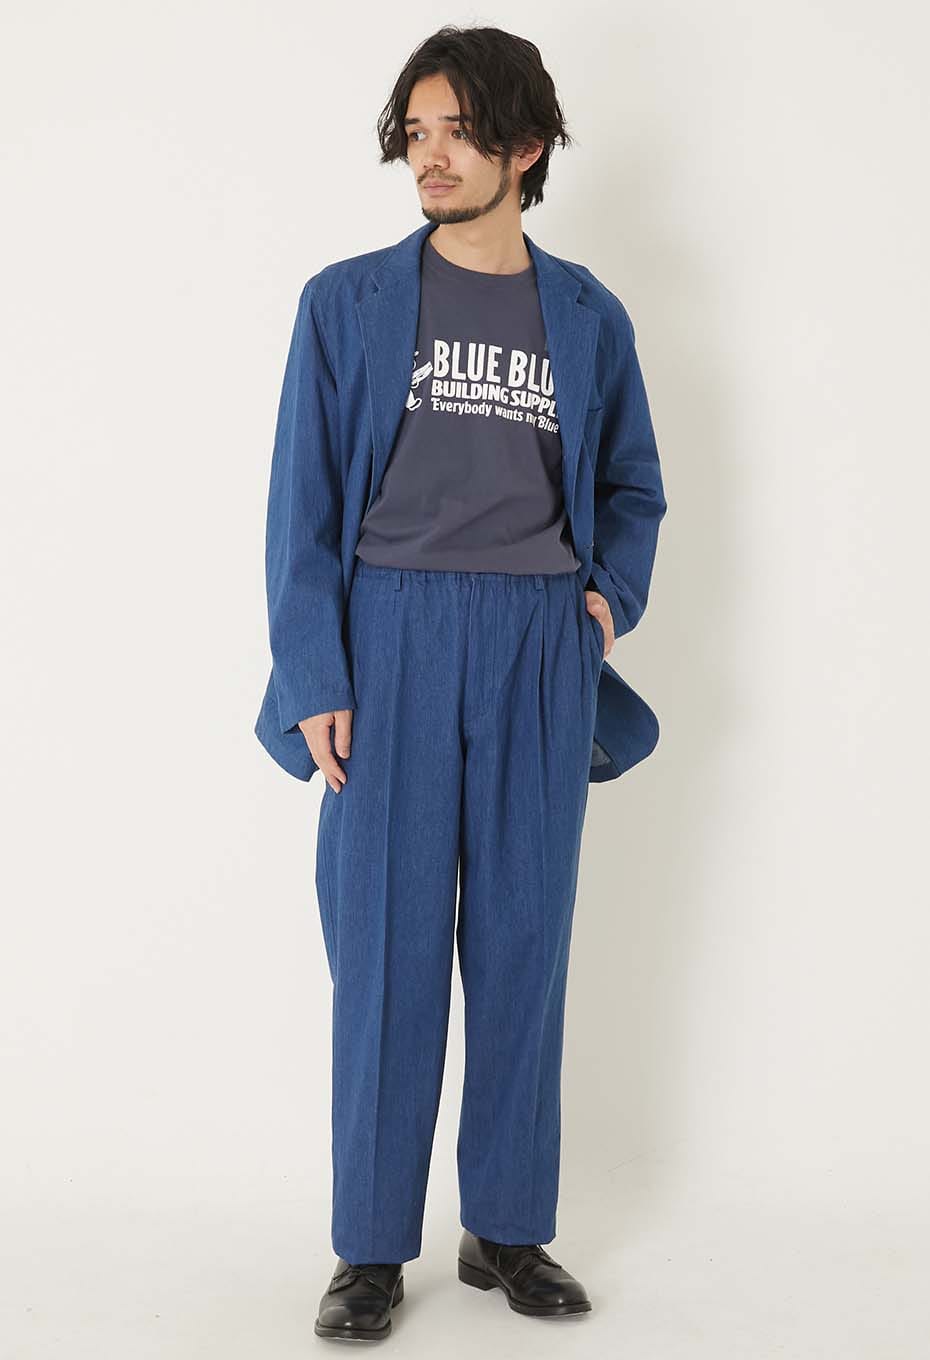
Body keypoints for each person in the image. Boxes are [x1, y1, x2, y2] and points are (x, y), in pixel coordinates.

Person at [254, 24, 667, 1343]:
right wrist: (316, 670)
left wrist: (606, 601)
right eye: (415, 132)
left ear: (524, 147)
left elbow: (633, 485)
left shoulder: (589, 315)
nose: (429, 157)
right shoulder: (346, 304)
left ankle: (506, 1228)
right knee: (384, 953)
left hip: (540, 645)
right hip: (390, 641)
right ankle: (371, 1248)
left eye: (457, 132)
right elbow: (302, 507)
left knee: (523, 943)